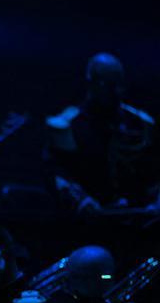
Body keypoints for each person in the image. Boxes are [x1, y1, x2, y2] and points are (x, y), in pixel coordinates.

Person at [45, 52, 160, 213]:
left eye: (118, 85)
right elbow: (57, 173)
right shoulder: (69, 124)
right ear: (91, 84)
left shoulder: (139, 123)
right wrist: (81, 200)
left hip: (139, 219)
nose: (115, 92)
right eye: (108, 85)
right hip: (89, 224)